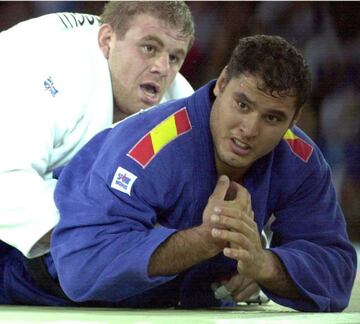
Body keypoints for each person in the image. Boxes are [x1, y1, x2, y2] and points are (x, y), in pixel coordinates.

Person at [0, 35, 357, 312]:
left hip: (162, 303)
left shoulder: (300, 160)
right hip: (31, 274)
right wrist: (209, 239)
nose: (249, 128)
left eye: (273, 118)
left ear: (293, 120)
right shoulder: (152, 144)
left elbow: (337, 270)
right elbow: (80, 266)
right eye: (242, 104)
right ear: (220, 85)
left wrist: (263, 264)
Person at [0, 1, 194, 259]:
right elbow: (7, 183)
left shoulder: (177, 101)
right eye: (149, 48)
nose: (162, 68)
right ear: (107, 40)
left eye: (174, 57)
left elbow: (207, 197)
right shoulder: (51, 70)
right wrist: (119, 235)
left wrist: (233, 261)